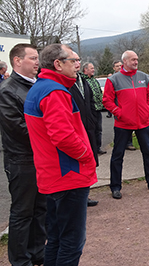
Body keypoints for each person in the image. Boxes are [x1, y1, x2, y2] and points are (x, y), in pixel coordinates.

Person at [24, 43, 97, 265]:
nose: (77, 65)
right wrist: (87, 156)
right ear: (57, 64)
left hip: (54, 175)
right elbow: (63, 137)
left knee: (55, 237)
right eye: (73, 61)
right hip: (67, 175)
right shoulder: (54, 91)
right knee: (71, 242)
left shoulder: (41, 87)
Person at [0, 44, 46, 266]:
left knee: (40, 208)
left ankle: (37, 251)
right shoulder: (7, 91)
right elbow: (18, 129)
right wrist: (51, 136)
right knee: (22, 212)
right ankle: (20, 260)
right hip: (22, 160)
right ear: (17, 61)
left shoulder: (36, 86)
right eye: (33, 58)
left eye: (37, 58)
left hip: (40, 158)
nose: (37, 62)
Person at [103, 50, 149, 199]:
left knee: (148, 153)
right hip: (123, 124)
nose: (136, 62)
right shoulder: (114, 80)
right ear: (124, 62)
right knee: (118, 155)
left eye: (137, 59)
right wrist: (119, 113)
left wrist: (148, 109)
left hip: (143, 122)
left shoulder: (144, 77)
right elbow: (107, 100)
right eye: (133, 60)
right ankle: (115, 186)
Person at [69, 53, 100, 207]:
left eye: (78, 60)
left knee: (90, 161)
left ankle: (85, 193)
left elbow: (90, 100)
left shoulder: (82, 80)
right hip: (75, 129)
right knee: (77, 162)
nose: (77, 64)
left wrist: (93, 119)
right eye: (73, 60)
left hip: (88, 126)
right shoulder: (65, 83)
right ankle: (78, 196)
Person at [82, 61, 107, 155]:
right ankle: (91, 148)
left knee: (98, 129)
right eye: (91, 68)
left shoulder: (94, 80)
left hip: (98, 109)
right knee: (90, 130)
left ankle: (98, 147)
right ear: (86, 70)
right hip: (90, 110)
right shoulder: (84, 81)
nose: (93, 70)